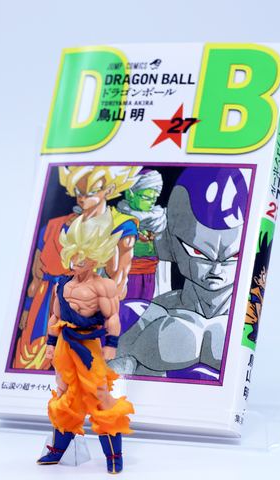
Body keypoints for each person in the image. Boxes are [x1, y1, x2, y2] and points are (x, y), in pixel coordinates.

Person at [113, 167, 248, 380]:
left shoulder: (252, 320)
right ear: (167, 244)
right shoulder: (140, 318)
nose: (216, 269)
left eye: (233, 256)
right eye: (199, 253)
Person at [13, 166, 140, 370]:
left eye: (91, 192)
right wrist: (27, 308)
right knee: (32, 362)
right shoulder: (55, 225)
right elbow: (37, 273)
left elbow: (118, 284)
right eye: (79, 192)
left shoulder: (120, 227)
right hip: (44, 304)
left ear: (109, 190)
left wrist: (108, 337)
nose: (82, 198)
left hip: (87, 314)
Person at [37, 211, 134, 474]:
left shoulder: (104, 286)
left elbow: (112, 317)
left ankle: (114, 455)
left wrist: (111, 343)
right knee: (63, 391)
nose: (75, 260)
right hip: (64, 343)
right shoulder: (62, 284)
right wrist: (50, 342)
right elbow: (56, 316)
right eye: (73, 254)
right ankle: (57, 450)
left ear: (94, 258)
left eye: (81, 255)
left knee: (100, 393)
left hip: (89, 345)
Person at [115, 169, 167, 300]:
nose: (152, 202)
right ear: (130, 194)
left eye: (154, 198)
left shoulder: (159, 220)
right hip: (127, 277)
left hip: (152, 276)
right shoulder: (118, 219)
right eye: (146, 197)